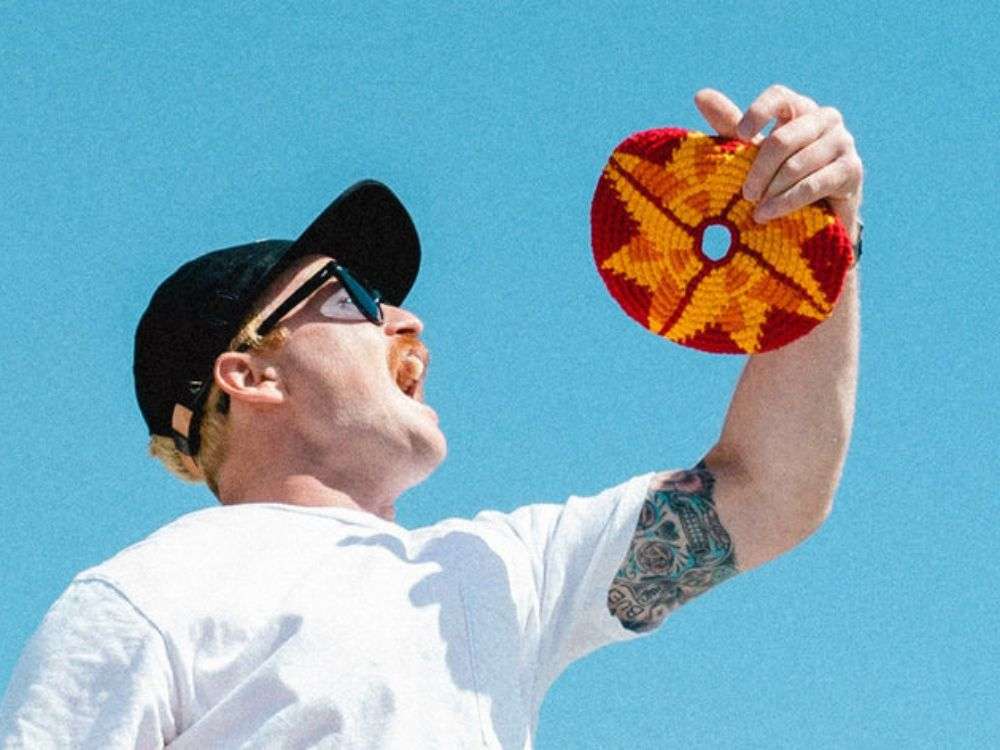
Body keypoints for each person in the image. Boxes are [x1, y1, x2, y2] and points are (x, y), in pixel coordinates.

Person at [0, 83, 863, 748]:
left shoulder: (491, 572)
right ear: (250, 374)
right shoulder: (145, 598)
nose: (407, 321)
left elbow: (769, 490)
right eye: (353, 296)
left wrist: (821, 246)